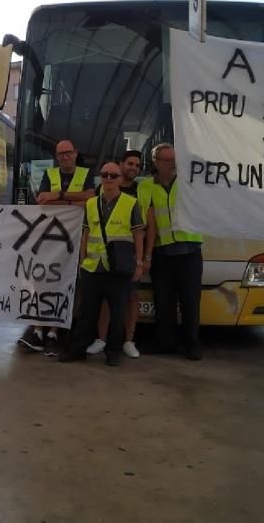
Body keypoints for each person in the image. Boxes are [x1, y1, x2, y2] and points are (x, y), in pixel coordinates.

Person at [60, 161, 145, 367]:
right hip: (92, 267)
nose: (108, 179)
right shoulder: (91, 203)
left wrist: (140, 263)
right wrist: (81, 260)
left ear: (119, 179)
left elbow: (138, 234)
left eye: (113, 175)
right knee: (86, 312)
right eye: (105, 175)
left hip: (118, 269)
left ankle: (113, 352)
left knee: (117, 314)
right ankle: (78, 350)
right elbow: (87, 233)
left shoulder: (131, 203)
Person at [19, 140, 94, 356]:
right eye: (60, 154)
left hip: (77, 238)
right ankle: (41, 330)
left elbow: (90, 199)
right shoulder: (49, 175)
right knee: (45, 283)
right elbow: (43, 202)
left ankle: (54, 331)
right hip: (50, 238)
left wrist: (60, 196)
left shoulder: (86, 173)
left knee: (68, 283)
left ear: (75, 153)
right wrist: (73, 203)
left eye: (68, 153)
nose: (64, 157)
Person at [87, 150, 152, 359]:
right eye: (130, 163)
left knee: (131, 298)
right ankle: (101, 339)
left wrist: (143, 260)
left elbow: (145, 228)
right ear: (121, 165)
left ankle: (129, 341)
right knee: (107, 301)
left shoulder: (140, 190)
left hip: (128, 259)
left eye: (137, 165)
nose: (133, 167)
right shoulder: (103, 188)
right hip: (103, 259)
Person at [144, 143, 204, 360]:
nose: (172, 164)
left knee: (190, 301)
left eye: (174, 160)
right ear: (156, 162)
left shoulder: (189, 184)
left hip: (189, 252)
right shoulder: (146, 187)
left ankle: (192, 345)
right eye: (167, 160)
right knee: (163, 302)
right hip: (162, 254)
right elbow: (145, 221)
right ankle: (166, 343)